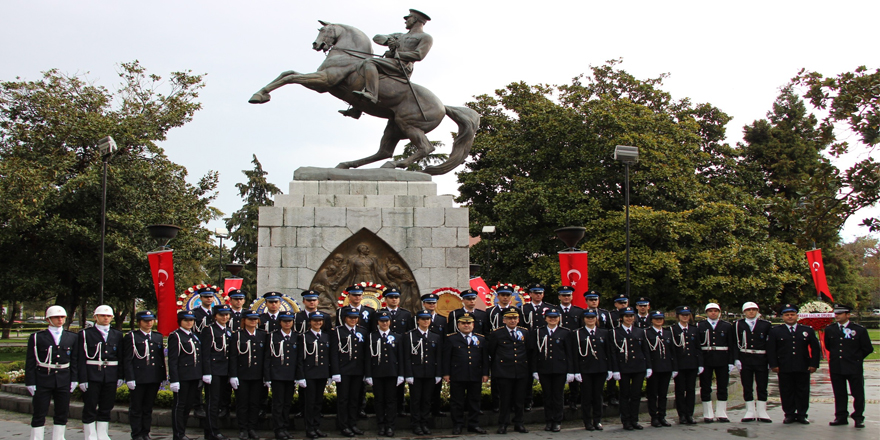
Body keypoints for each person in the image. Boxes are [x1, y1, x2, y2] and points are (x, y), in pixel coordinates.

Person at [349, 9, 433, 106]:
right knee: (365, 71)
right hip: (391, 63)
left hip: (402, 66)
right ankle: (357, 109)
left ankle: (371, 94)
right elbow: (377, 37)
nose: (405, 21)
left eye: (408, 18)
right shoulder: (400, 36)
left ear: (414, 20)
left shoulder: (425, 37)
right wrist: (388, 40)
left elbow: (419, 55)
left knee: (370, 62)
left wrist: (395, 55)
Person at [25, 305, 78, 440]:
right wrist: (30, 381)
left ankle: (58, 437)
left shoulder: (72, 337)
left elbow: (74, 360)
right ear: (49, 319)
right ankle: (36, 437)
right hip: (43, 377)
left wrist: (74, 378)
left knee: (62, 411)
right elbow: (31, 361)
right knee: (39, 411)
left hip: (63, 378)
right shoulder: (37, 337)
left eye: (62, 317)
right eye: (56, 317)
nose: (60, 319)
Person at [766, 303, 820, 425]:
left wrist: (814, 364)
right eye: (787, 315)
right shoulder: (776, 331)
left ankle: (802, 414)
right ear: (782, 317)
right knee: (786, 391)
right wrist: (774, 365)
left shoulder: (807, 330)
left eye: (792, 314)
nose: (790, 317)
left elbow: (815, 348)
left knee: (803, 391)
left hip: (803, 365)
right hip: (784, 366)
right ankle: (789, 414)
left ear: (797, 316)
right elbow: (771, 349)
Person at [77, 305, 124, 440]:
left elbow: (120, 357)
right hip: (92, 374)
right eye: (103, 315)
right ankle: (90, 434)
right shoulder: (85, 334)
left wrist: (120, 376)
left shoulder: (117, 334)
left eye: (108, 316)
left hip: (110, 375)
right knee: (90, 405)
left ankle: (102, 433)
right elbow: (80, 358)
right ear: (95, 317)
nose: (105, 318)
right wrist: (83, 378)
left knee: (107, 405)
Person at [825, 304, 873, 428]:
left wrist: (856, 358)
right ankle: (841, 416)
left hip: (853, 367)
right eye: (836, 313)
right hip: (837, 366)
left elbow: (867, 348)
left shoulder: (859, 330)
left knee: (857, 393)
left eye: (840, 314)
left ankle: (858, 417)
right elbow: (829, 346)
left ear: (847, 315)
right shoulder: (830, 329)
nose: (837, 316)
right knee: (839, 393)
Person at [442, 313, 489, 435]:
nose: (466, 325)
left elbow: (484, 358)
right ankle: (458, 425)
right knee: (457, 401)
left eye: (469, 323)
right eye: (463, 323)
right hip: (458, 374)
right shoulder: (451, 338)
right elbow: (446, 358)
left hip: (475, 374)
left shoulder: (481, 339)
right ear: (458, 325)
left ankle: (474, 424)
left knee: (475, 400)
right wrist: (446, 373)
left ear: (473, 325)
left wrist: (485, 373)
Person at [123, 310, 166, 440]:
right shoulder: (132, 337)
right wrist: (129, 377)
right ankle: (136, 434)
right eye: (145, 321)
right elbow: (127, 359)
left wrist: (163, 376)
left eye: (151, 320)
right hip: (138, 377)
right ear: (139, 322)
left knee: (148, 407)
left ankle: (145, 432)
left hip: (153, 377)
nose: (149, 323)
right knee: (136, 407)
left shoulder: (157, 336)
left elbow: (160, 359)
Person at [529, 307, 574, 432]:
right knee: (547, 396)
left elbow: (569, 353)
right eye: (550, 317)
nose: (552, 319)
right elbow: (535, 353)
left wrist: (570, 371)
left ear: (559, 319)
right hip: (544, 368)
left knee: (558, 396)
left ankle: (557, 421)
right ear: (545, 318)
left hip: (560, 369)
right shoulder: (539, 332)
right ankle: (548, 420)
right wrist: (535, 370)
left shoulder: (565, 332)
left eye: (555, 317)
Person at [487, 307, 530, 434]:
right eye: (509, 318)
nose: (512, 320)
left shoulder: (525, 332)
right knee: (504, 400)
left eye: (515, 318)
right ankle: (503, 424)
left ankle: (519, 423)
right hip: (504, 371)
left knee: (519, 400)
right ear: (504, 320)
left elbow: (528, 350)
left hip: (520, 370)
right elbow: (492, 352)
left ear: (518, 320)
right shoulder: (497, 333)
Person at [570, 308, 614, 431]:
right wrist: (576, 371)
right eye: (588, 318)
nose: (590, 320)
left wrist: (610, 369)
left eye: (592, 317)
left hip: (600, 368)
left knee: (598, 396)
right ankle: (587, 421)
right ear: (584, 319)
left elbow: (608, 352)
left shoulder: (604, 333)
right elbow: (575, 354)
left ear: (596, 319)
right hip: (585, 369)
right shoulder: (578, 333)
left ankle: (597, 420)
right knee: (586, 397)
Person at [364, 310, 405, 437]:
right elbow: (367, 357)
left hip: (392, 373)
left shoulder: (397, 337)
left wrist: (401, 374)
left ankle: (390, 426)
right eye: (382, 321)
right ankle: (381, 425)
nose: (384, 323)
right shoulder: (371, 337)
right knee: (379, 401)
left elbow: (401, 357)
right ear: (378, 322)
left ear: (390, 322)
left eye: (387, 321)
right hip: (377, 373)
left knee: (391, 401)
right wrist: (368, 374)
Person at [610, 306, 651, 430]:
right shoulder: (615, 332)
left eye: (631, 316)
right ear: (621, 318)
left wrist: (648, 367)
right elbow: (613, 353)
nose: (629, 318)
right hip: (624, 367)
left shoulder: (640, 331)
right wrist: (615, 369)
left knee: (636, 394)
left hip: (638, 367)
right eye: (627, 316)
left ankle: (634, 419)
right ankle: (625, 420)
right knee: (624, 394)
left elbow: (645, 351)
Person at [403, 310, 443, 435]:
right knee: (416, 400)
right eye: (423, 319)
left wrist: (438, 373)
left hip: (430, 372)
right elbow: (407, 357)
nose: (426, 321)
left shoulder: (435, 336)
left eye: (428, 319)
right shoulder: (410, 335)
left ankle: (424, 423)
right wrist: (408, 374)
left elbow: (438, 357)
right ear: (418, 321)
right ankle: (415, 424)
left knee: (426, 399)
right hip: (416, 373)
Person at [229, 310, 268, 440]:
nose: (253, 321)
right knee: (242, 404)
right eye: (250, 319)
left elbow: (266, 357)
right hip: (242, 375)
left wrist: (266, 376)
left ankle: (252, 428)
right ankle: (243, 429)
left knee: (254, 403)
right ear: (244, 320)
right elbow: (233, 357)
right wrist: (233, 375)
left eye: (255, 319)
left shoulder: (263, 335)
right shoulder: (238, 335)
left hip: (257, 375)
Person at [331, 308, 368, 437]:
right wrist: (335, 372)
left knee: (354, 399)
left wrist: (365, 372)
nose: (353, 320)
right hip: (343, 370)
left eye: (355, 318)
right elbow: (334, 354)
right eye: (351, 318)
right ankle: (343, 425)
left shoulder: (362, 331)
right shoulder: (337, 332)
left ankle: (353, 424)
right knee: (343, 399)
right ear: (345, 318)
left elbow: (364, 353)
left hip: (357, 371)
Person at [375, 288, 412, 418]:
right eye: (391, 297)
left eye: (396, 297)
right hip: (385, 351)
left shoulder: (406, 314)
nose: (394, 299)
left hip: (400, 350)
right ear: (386, 299)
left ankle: (400, 408)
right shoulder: (380, 314)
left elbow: (408, 333)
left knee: (399, 383)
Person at [734, 301, 773, 423]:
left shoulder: (766, 325)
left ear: (757, 311)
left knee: (762, 385)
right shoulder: (737, 325)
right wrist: (736, 359)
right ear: (744, 312)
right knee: (747, 385)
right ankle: (749, 411)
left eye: (753, 309)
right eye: (748, 310)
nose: (751, 312)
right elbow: (734, 342)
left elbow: (770, 344)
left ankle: (762, 411)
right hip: (745, 357)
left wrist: (770, 360)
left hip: (761, 358)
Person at [697, 302, 735, 423]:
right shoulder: (700, 325)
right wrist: (699, 362)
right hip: (706, 359)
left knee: (722, 386)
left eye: (715, 311)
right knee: (705, 386)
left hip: (722, 359)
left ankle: (721, 412)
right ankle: (708, 413)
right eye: (710, 311)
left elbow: (732, 345)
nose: (713, 313)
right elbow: (697, 346)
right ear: (706, 313)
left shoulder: (727, 326)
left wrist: (731, 362)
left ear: (719, 312)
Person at [296, 311, 332, 439]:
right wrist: (300, 376)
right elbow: (300, 358)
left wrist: (329, 374)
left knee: (318, 402)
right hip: (309, 374)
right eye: (315, 321)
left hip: (321, 374)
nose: (318, 323)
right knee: (309, 403)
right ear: (310, 322)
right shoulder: (304, 337)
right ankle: (309, 428)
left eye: (320, 321)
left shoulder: (326, 336)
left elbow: (328, 357)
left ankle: (317, 427)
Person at [168, 310, 203, 440]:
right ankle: (178, 434)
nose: (189, 323)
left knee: (188, 406)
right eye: (186, 320)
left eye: (191, 320)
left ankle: (182, 432)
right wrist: (174, 379)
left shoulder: (193, 336)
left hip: (194, 376)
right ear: (180, 322)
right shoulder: (176, 336)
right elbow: (173, 360)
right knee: (180, 406)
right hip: (182, 377)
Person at [265, 310, 299, 440]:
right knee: (278, 403)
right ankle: (278, 429)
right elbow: (268, 358)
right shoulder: (273, 336)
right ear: (280, 322)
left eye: (289, 321)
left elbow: (298, 358)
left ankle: (285, 426)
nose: (287, 323)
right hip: (277, 374)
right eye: (285, 321)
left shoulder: (296, 336)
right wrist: (267, 377)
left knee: (287, 403)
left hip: (290, 375)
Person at [201, 305, 232, 440]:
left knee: (220, 402)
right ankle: (211, 430)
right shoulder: (209, 330)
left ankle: (212, 430)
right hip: (214, 370)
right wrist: (207, 372)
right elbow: (206, 353)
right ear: (215, 316)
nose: (224, 317)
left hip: (225, 371)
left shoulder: (228, 331)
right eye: (221, 315)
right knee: (212, 402)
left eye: (226, 315)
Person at [670, 305, 702, 425]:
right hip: (679, 365)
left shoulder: (694, 329)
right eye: (683, 315)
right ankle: (681, 414)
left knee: (691, 390)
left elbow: (698, 348)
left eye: (687, 315)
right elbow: (672, 350)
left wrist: (700, 364)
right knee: (680, 390)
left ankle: (689, 414)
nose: (685, 317)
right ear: (678, 316)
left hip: (692, 364)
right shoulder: (673, 330)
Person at [645, 310, 676, 427]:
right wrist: (648, 367)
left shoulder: (667, 333)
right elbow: (647, 352)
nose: (659, 321)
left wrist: (674, 367)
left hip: (666, 367)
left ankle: (662, 415)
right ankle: (654, 417)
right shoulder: (647, 333)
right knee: (652, 394)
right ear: (651, 320)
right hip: (654, 367)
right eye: (656, 319)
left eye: (661, 319)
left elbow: (672, 351)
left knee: (663, 394)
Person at [420, 293, 447, 417]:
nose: (431, 305)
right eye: (429, 303)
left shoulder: (442, 319)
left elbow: (444, 339)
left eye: (433, 303)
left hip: (437, 355)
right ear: (424, 304)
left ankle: (436, 409)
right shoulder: (418, 318)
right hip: (422, 355)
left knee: (437, 386)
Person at [557, 286, 583, 410]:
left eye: (568, 295)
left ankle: (573, 400)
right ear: (559, 297)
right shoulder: (554, 310)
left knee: (575, 372)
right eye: (564, 295)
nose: (566, 297)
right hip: (559, 346)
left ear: (572, 297)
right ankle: (560, 400)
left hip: (575, 345)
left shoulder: (578, 312)